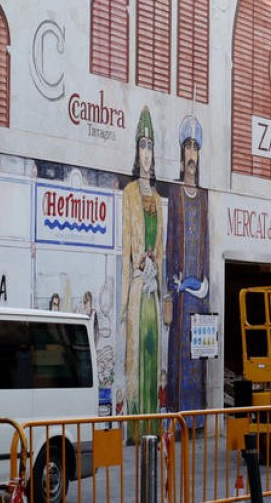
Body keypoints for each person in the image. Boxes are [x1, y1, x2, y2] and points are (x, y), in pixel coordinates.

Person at [121, 107, 164, 427]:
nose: (146, 153)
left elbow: (160, 251)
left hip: (153, 292)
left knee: (153, 354)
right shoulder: (129, 193)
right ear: (137, 151)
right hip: (137, 289)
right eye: (142, 146)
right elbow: (125, 251)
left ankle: (151, 423)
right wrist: (123, 303)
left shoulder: (159, 199)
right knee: (136, 358)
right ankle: (137, 428)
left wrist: (154, 260)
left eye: (150, 146)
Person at [166, 115, 209, 414]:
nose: (191, 154)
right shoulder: (174, 193)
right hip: (182, 295)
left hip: (199, 295)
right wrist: (174, 280)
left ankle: (197, 417)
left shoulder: (205, 198)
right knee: (180, 354)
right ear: (182, 157)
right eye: (188, 148)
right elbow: (170, 241)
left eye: (195, 148)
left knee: (199, 354)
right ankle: (179, 415)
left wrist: (203, 282)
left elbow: (205, 241)